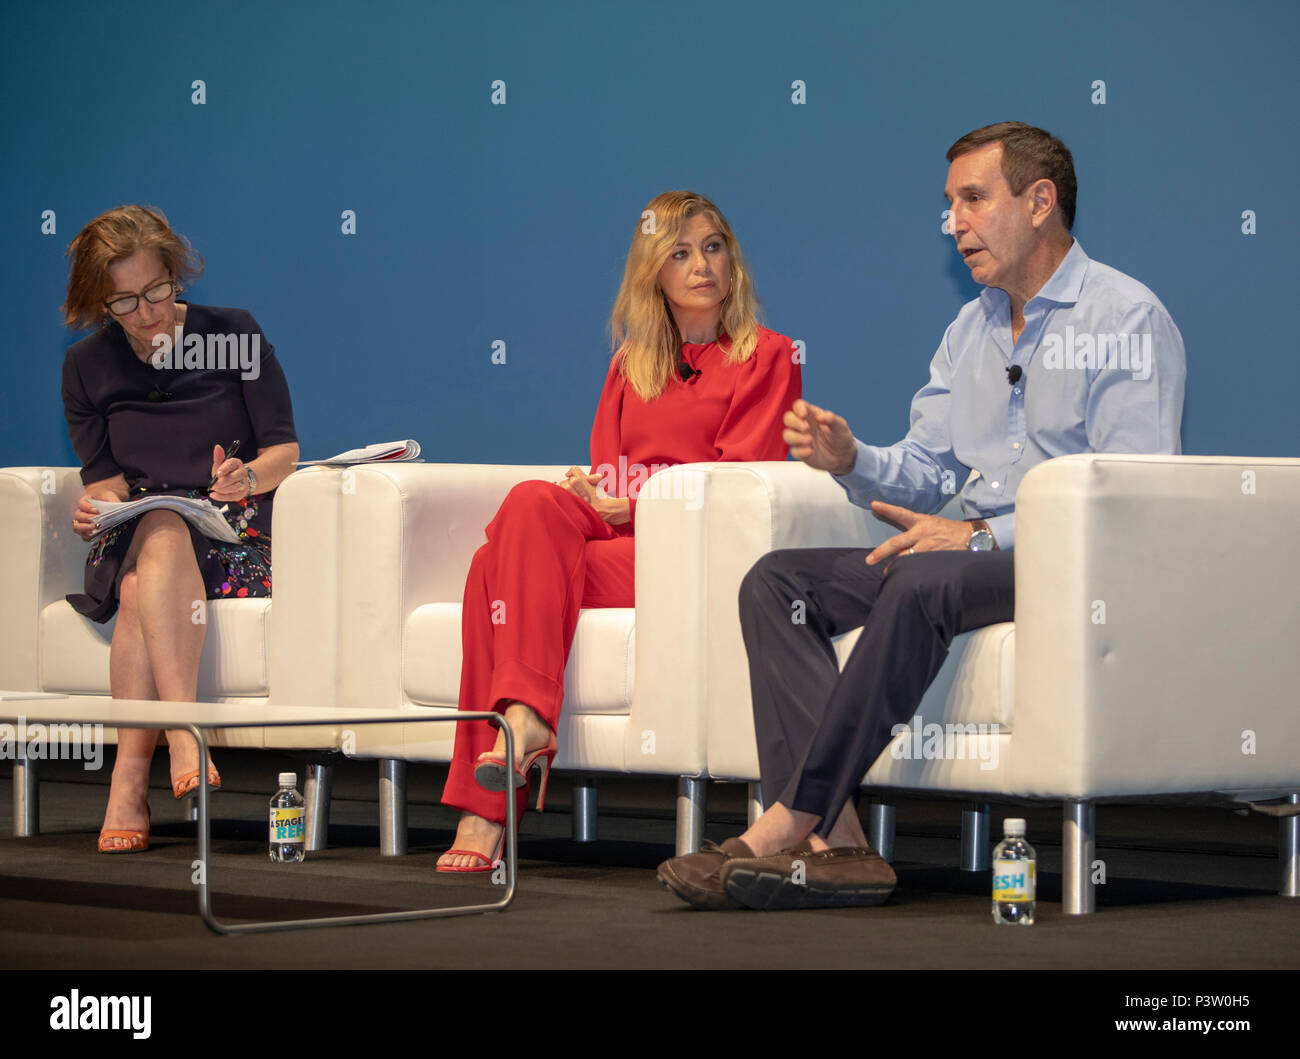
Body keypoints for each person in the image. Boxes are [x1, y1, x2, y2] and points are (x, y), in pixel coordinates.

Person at [658, 122, 1187, 909]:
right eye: (949, 204)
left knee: (923, 578)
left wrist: (978, 536)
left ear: (1040, 202)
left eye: (973, 198)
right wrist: (852, 460)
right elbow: (928, 466)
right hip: (965, 555)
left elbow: (1128, 494)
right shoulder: (969, 330)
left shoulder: (1126, 320)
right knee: (776, 582)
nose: (954, 221)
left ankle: (783, 823)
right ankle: (842, 844)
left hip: (1067, 560)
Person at [437, 191, 802, 871]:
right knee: (530, 504)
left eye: (714, 247)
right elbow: (613, 474)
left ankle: (485, 810)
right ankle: (524, 721)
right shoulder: (630, 364)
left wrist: (631, 507)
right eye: (682, 253)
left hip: (690, 555)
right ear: (653, 272)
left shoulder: (768, 355)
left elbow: (736, 486)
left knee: (492, 572)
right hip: (625, 540)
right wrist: (596, 496)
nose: (703, 265)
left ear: (734, 261)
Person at [60, 205, 299, 852]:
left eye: (157, 291)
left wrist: (246, 477)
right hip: (138, 529)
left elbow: (284, 451)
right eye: (124, 302)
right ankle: (184, 736)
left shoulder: (233, 334)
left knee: (141, 589)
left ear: (175, 273)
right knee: (159, 519)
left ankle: (128, 782)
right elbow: (105, 476)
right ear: (99, 303)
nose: (146, 312)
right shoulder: (87, 365)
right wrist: (97, 503)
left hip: (231, 533)